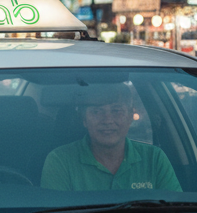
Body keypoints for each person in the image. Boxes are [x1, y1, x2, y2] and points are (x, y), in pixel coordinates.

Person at [41, 82, 181, 192]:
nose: (107, 120)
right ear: (84, 119)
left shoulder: (154, 159)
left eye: (116, 110)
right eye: (97, 111)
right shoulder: (60, 161)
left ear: (130, 116)